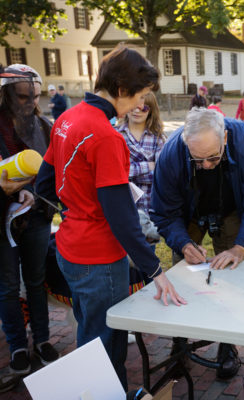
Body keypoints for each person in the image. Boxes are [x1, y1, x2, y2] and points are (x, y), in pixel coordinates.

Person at [35, 45, 186, 390]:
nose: (140, 106)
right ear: (120, 90)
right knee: (105, 345)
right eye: (139, 96)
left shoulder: (67, 117)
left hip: (69, 246)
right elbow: (122, 219)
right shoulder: (106, 137)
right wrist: (155, 270)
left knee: (90, 330)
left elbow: (44, 182)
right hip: (99, 258)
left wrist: (78, 209)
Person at [150, 107, 244, 379]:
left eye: (213, 157)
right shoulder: (171, 153)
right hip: (188, 212)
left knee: (229, 275)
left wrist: (241, 246)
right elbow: (163, 211)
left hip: (230, 208)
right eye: (198, 159)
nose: (206, 165)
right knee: (182, 276)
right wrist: (182, 243)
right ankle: (179, 346)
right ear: (186, 145)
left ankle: (227, 347)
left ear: (225, 138)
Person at [0, 64, 59, 377]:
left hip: (36, 216)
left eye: (36, 97)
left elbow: (52, 173)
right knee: (8, 286)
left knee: (36, 281)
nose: (31, 103)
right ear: (6, 95)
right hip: (2, 221)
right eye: (23, 97)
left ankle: (44, 340)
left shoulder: (45, 126)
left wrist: (35, 193)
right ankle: (17, 345)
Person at [116, 91, 165, 214]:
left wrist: (129, 172)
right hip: (122, 205)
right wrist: (148, 166)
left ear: (151, 110)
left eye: (144, 108)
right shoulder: (115, 135)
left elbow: (161, 176)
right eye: (133, 106)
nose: (137, 111)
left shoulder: (159, 138)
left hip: (151, 206)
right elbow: (114, 173)